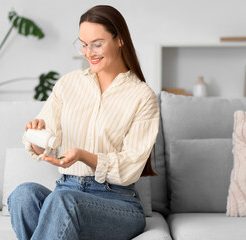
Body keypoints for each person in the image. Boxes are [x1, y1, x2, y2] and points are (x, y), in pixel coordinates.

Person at [8, 5, 160, 240]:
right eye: (83, 44)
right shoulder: (68, 84)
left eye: (97, 43)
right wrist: (37, 137)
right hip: (66, 190)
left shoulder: (142, 96)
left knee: (63, 201)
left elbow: (130, 168)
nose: (89, 52)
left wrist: (83, 155)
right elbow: (45, 142)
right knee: (23, 195)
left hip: (117, 203)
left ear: (119, 40)